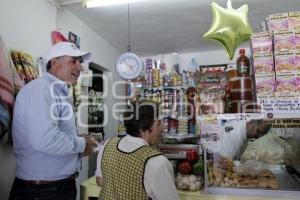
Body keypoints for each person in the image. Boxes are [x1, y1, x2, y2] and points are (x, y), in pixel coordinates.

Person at [9, 42, 98, 200]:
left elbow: (52, 134)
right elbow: (45, 139)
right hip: (42, 191)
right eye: (74, 61)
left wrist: (80, 140)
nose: (80, 67)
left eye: (80, 62)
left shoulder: (58, 92)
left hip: (55, 188)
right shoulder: (40, 89)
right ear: (55, 62)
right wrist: (82, 145)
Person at [95, 101, 180, 200]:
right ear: (145, 128)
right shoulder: (157, 162)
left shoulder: (108, 144)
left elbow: (100, 180)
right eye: (159, 123)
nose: (162, 127)